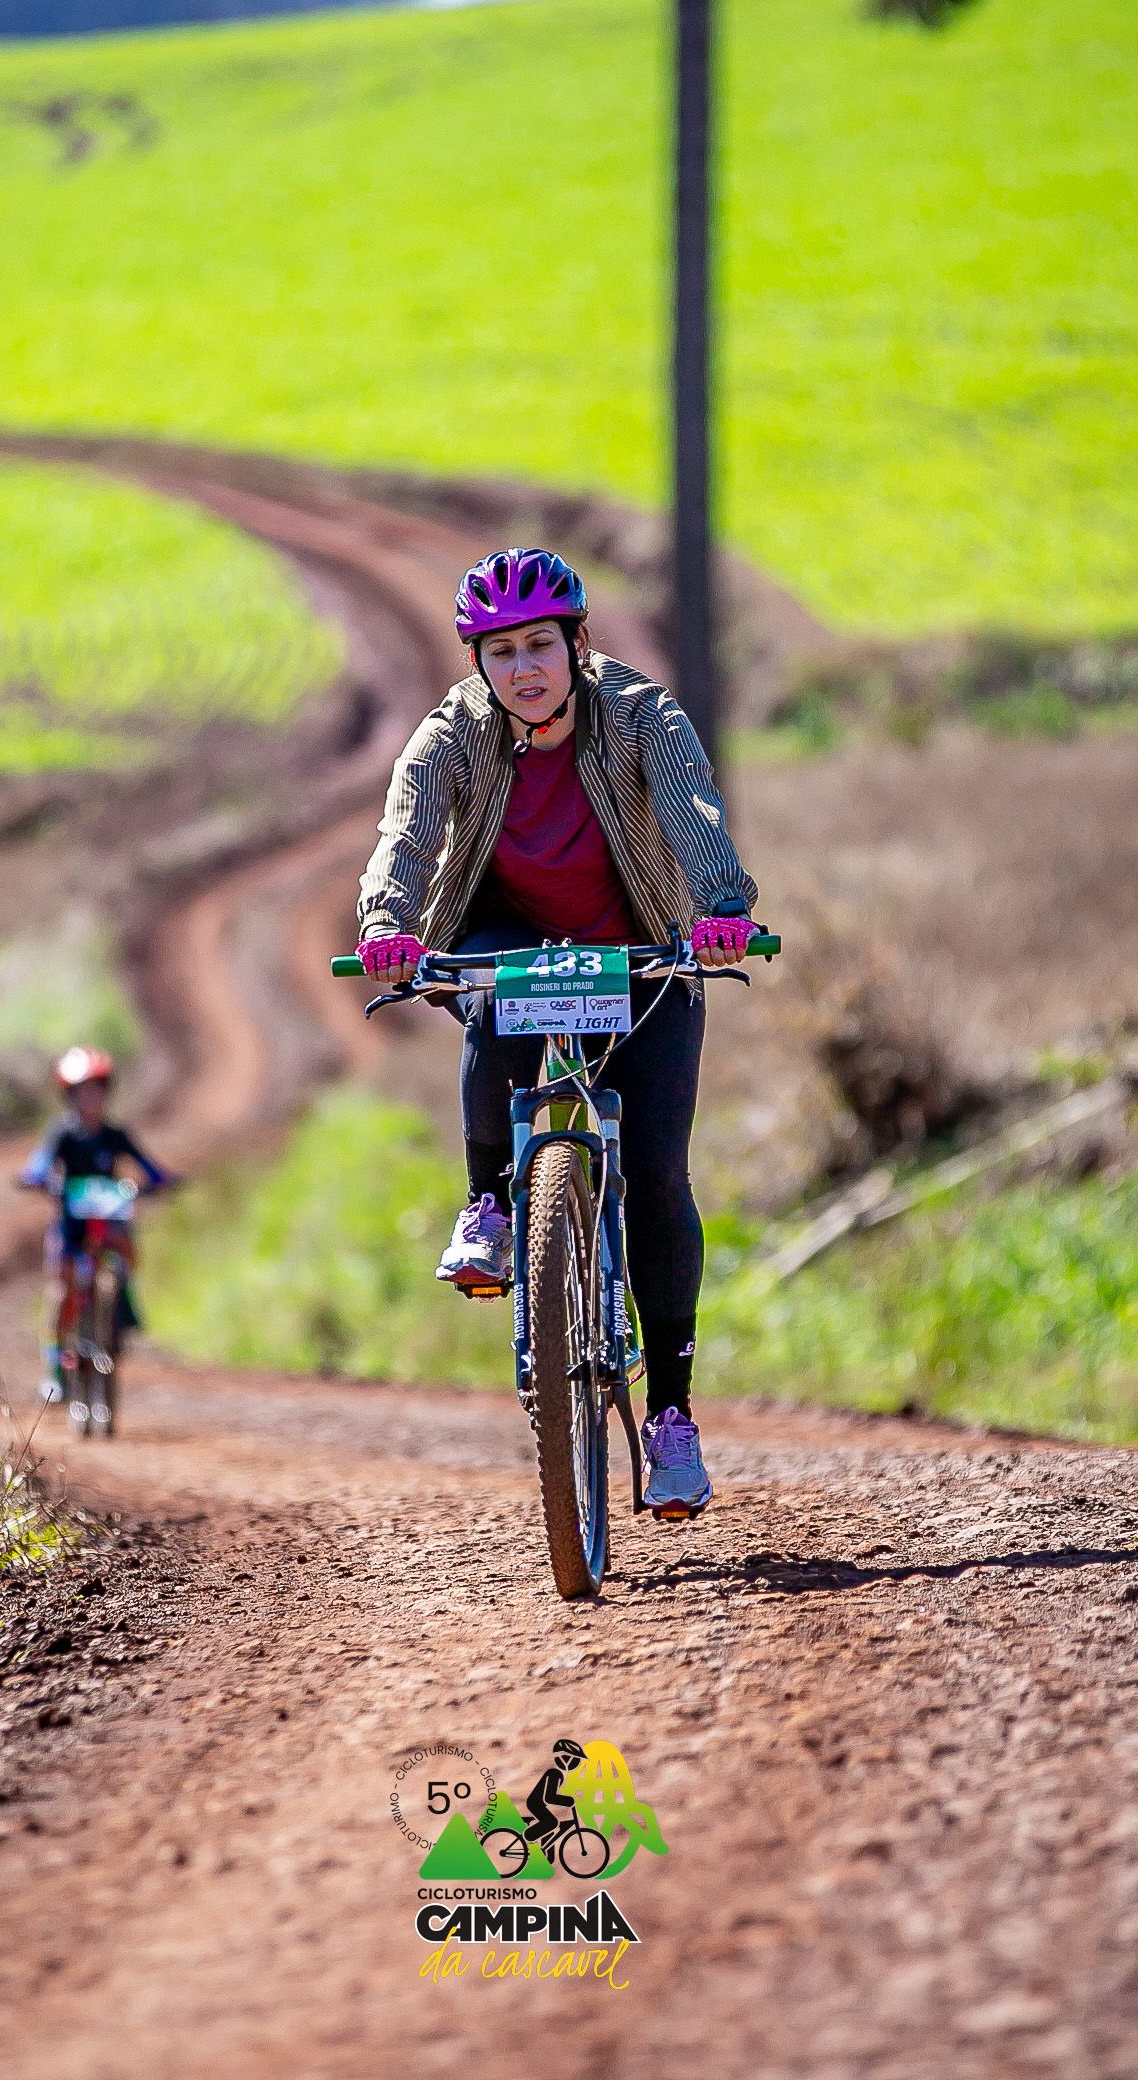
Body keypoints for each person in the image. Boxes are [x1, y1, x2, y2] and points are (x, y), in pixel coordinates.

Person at [353, 548, 762, 1520]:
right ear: (477, 663)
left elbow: (694, 814)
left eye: (540, 644)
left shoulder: (642, 715)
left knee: (656, 1174)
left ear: (579, 642)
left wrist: (721, 908)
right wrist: (386, 923)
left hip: (643, 951)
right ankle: (490, 1208)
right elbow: (406, 834)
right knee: (499, 995)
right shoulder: (454, 733)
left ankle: (671, 1419)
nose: (523, 669)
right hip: (511, 936)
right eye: (500, 653)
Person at [19, 1046, 170, 1403]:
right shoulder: (62, 1134)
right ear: (70, 1096)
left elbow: (147, 1165)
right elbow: (40, 1163)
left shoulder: (114, 1135)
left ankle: (121, 1312)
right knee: (63, 1289)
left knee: (125, 1256)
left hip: (109, 1221)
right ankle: (56, 1369)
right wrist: (37, 1177)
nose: (90, 1098)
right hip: (72, 1225)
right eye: (82, 1091)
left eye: (96, 1090)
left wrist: (160, 1180)